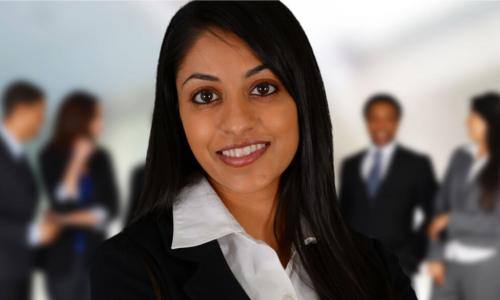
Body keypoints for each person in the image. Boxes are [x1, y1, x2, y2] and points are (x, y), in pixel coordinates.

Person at [90, 2, 416, 300]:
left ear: (302, 98)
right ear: (176, 115)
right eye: (205, 96)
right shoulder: (130, 268)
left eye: (262, 88)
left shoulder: (373, 266)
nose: (237, 122)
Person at [339, 93, 437, 276]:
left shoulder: (416, 164)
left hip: (399, 268)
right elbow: (342, 213)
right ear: (367, 122)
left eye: (388, 119)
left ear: (397, 122)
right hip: (353, 267)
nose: (381, 125)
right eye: (374, 119)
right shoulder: (350, 165)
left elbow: (434, 212)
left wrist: (414, 254)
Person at [39, 91, 119, 300]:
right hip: (61, 264)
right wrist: (76, 161)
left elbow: (109, 210)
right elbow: (61, 203)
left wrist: (62, 220)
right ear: (81, 120)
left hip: (94, 260)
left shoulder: (102, 158)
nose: (101, 123)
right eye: (97, 117)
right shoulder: (49, 156)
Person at [426, 92, 500, 300]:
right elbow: (439, 206)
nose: (467, 121)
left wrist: (453, 220)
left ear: (490, 122)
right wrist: (435, 256)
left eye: (473, 116)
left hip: (487, 267)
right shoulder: (461, 156)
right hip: (447, 265)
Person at [0, 81, 59, 300]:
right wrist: (32, 233)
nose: (42, 122)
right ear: (22, 111)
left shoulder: (18, 155)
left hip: (19, 270)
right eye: (39, 113)